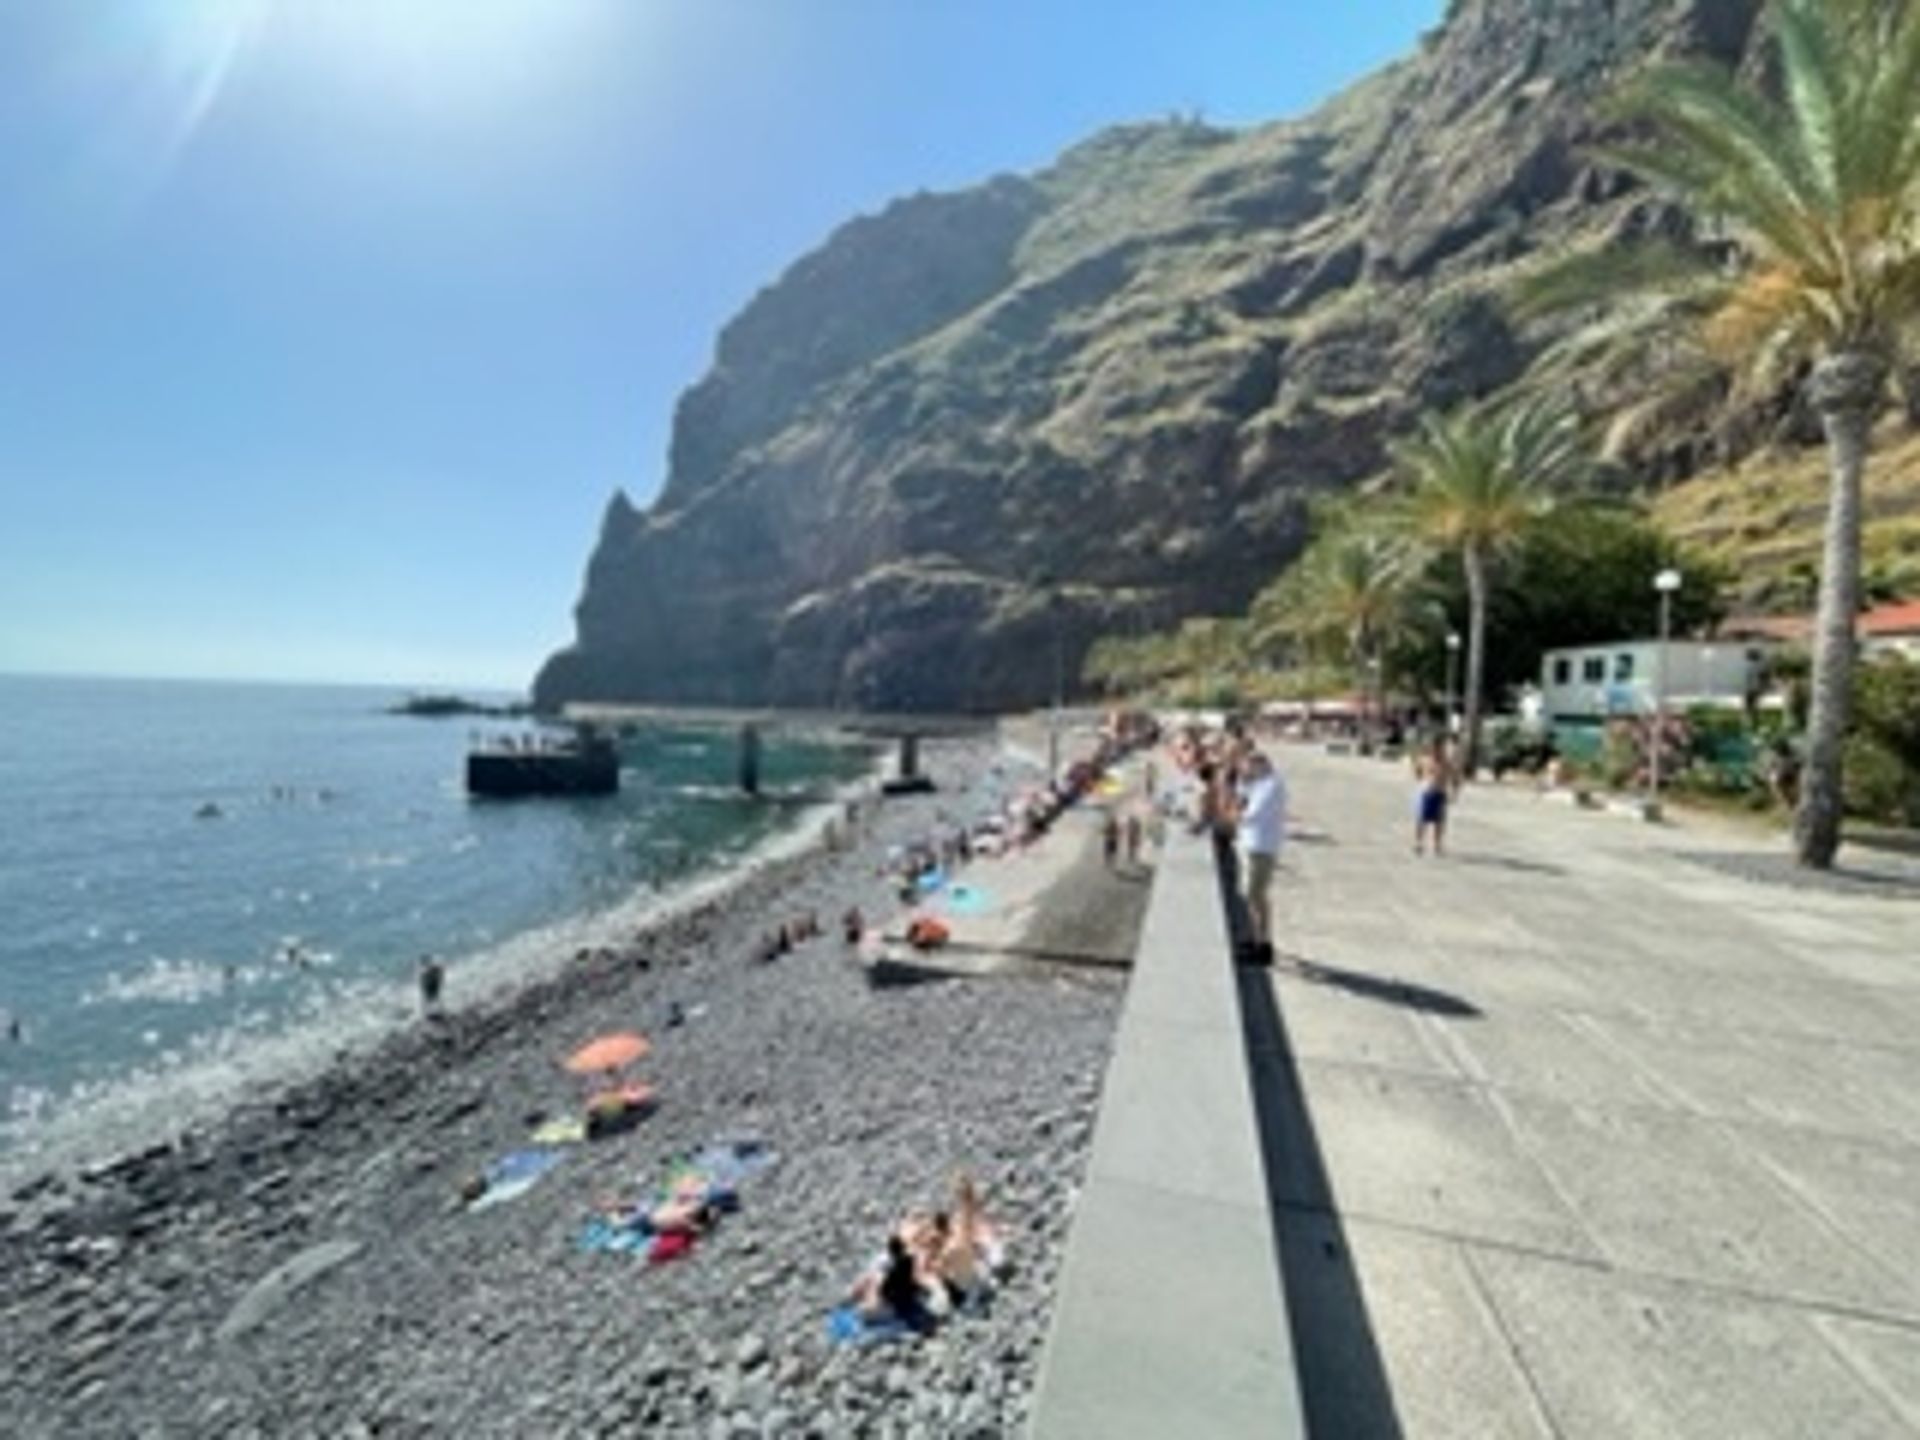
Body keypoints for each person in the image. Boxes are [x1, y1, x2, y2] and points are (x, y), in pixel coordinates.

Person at [1231, 752, 1286, 965]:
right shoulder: (1260, 782)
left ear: (1260, 765)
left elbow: (1249, 814)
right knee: (1252, 896)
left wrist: (1235, 814)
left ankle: (1263, 946)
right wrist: (1242, 783)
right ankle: (1256, 938)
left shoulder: (1271, 786)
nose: (1245, 772)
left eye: (1248, 768)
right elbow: (1240, 798)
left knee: (1256, 897)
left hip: (1261, 847)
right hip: (1252, 845)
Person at [1413, 740, 1456, 857]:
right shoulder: (1425, 760)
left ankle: (1437, 845)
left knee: (1439, 822)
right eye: (1435, 748)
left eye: (1440, 748)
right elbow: (1417, 772)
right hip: (1426, 792)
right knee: (1422, 819)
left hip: (1440, 793)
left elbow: (1453, 777)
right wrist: (1423, 782)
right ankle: (1419, 843)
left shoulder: (1447, 763)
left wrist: (1453, 792)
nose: (1437, 751)